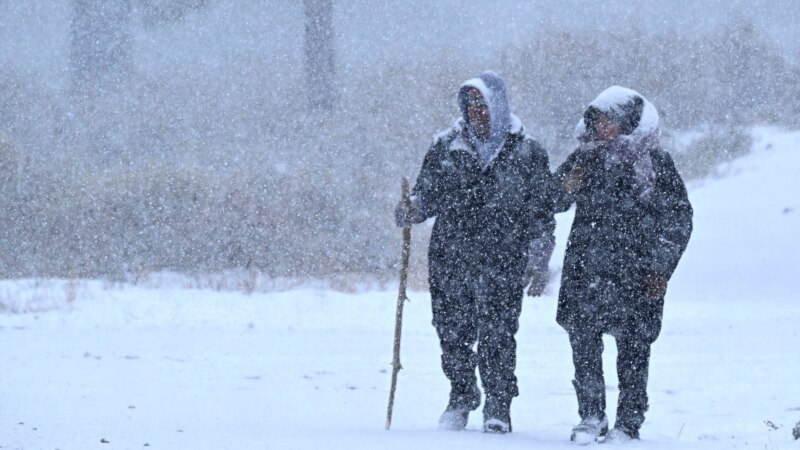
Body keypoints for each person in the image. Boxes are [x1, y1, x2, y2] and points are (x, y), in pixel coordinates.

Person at [394, 71, 555, 433]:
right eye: (469, 104)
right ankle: (462, 394)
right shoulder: (446, 147)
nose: (476, 110)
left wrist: (539, 255)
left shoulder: (527, 151)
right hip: (451, 255)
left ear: (498, 104)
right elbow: (426, 195)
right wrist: (413, 209)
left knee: (498, 333)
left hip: (504, 257)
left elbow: (542, 210)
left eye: (482, 103)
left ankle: (498, 405)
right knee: (452, 330)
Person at [552, 86, 693, 444]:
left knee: (633, 350)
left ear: (628, 120)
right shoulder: (583, 158)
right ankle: (591, 418)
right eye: (598, 120)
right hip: (586, 269)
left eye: (610, 120)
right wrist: (563, 187)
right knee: (583, 345)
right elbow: (551, 201)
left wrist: (661, 268)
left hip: (637, 273)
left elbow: (678, 219)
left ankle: (628, 425)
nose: (603, 128)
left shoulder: (655, 162)